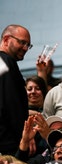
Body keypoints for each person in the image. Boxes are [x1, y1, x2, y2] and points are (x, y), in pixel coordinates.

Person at [0, 24, 31, 155]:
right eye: (22, 42)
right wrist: (24, 137)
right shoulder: (6, 62)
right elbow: (11, 104)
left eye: (28, 45)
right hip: (8, 143)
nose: (25, 48)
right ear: (6, 39)